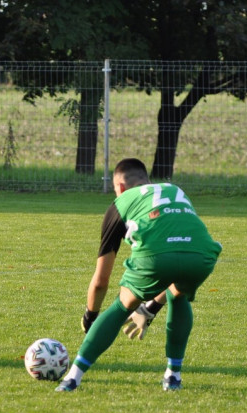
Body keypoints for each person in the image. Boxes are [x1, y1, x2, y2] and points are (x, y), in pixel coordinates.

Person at [56, 158, 222, 392]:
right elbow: (179, 249)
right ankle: (173, 376)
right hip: (202, 254)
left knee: (123, 302)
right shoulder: (174, 189)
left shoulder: (121, 202)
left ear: (120, 187)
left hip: (155, 257)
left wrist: (91, 318)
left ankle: (73, 378)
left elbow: (101, 281)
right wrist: (151, 307)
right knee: (179, 293)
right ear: (148, 180)